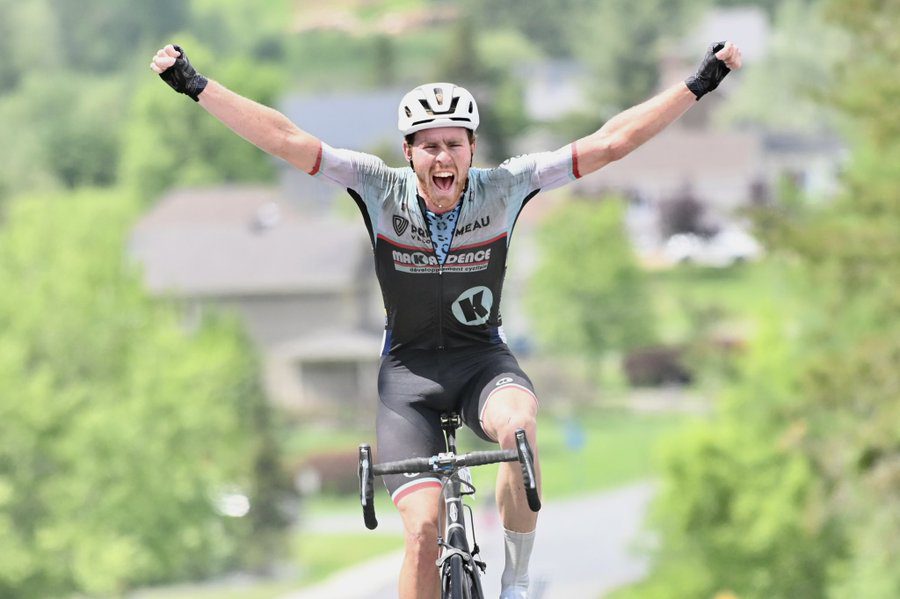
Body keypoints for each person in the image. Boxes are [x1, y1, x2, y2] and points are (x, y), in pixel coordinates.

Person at [150, 40, 741, 599]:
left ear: (471, 150)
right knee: (422, 527)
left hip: (481, 363)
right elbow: (284, 138)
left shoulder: (508, 187)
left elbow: (611, 142)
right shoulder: (377, 188)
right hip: (406, 380)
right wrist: (195, 85)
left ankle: (515, 582)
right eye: (428, 145)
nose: (442, 158)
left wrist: (698, 83)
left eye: (454, 144)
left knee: (521, 429)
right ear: (408, 152)